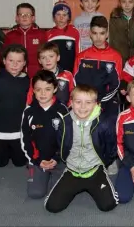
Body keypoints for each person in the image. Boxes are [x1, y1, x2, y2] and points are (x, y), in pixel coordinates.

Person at [44, 84, 119, 213]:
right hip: (72, 170)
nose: (83, 107)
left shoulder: (104, 123)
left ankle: (102, 175)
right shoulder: (65, 121)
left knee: (108, 205)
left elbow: (112, 148)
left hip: (94, 170)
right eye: (78, 102)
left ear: (96, 104)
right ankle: (65, 178)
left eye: (88, 102)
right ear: (71, 102)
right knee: (52, 207)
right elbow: (60, 143)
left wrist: (103, 164)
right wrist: (60, 158)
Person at [20, 70, 69, 199]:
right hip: (38, 160)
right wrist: (37, 160)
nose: (42, 93)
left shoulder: (62, 110)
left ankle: (58, 172)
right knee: (35, 193)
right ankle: (37, 171)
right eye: (38, 89)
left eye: (47, 89)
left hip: (58, 160)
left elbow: (67, 138)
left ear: (55, 89)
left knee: (59, 194)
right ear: (33, 90)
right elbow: (25, 140)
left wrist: (57, 158)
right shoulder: (28, 112)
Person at [0, 44, 29, 168]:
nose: (15, 65)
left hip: (19, 132)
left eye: (19, 61)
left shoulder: (28, 81)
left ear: (24, 63)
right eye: (11, 61)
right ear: (4, 61)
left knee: (20, 163)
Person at [74, 16, 122, 117]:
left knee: (107, 125)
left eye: (102, 33)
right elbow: (76, 82)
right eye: (95, 33)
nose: (98, 37)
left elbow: (116, 84)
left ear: (107, 34)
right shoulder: (82, 56)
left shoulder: (115, 56)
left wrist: (100, 101)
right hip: (85, 101)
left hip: (107, 100)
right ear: (90, 34)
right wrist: (88, 100)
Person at [4, 3, 46, 78]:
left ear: (33, 18)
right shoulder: (10, 36)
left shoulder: (42, 35)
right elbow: (5, 57)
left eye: (28, 14)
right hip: (15, 76)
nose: (24, 17)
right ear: (16, 18)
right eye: (21, 14)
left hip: (37, 76)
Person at [26, 42, 75, 107]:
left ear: (58, 57)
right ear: (39, 61)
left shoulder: (68, 75)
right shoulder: (35, 79)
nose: (47, 60)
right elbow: (29, 101)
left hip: (63, 114)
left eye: (51, 56)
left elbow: (74, 95)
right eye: (43, 58)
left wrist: (68, 109)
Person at [109, 0, 134, 64]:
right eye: (124, 2)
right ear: (120, 3)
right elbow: (111, 39)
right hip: (119, 56)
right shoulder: (115, 18)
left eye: (130, 2)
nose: (127, 5)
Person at [46, 1, 81, 73]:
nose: (61, 17)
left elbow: (78, 54)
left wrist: (76, 72)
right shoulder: (48, 34)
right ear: (54, 17)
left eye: (64, 15)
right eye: (58, 14)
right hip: (53, 72)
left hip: (70, 72)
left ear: (69, 17)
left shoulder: (74, 32)